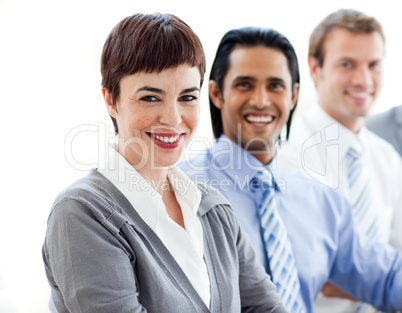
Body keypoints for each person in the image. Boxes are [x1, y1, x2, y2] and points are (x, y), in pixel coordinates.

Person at [42, 13, 287, 313]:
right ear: (110, 100)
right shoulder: (82, 213)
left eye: (187, 97)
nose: (173, 118)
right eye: (150, 97)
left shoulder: (214, 209)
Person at [179, 26, 402, 313]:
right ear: (216, 93)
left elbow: (387, 278)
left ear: (293, 95)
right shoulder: (179, 190)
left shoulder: (321, 202)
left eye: (275, 86)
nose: (261, 100)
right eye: (245, 84)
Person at [277, 9, 402, 312]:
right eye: (347, 64)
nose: (363, 79)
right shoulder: (286, 156)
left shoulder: (386, 157)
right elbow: (316, 272)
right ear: (314, 68)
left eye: (374, 65)